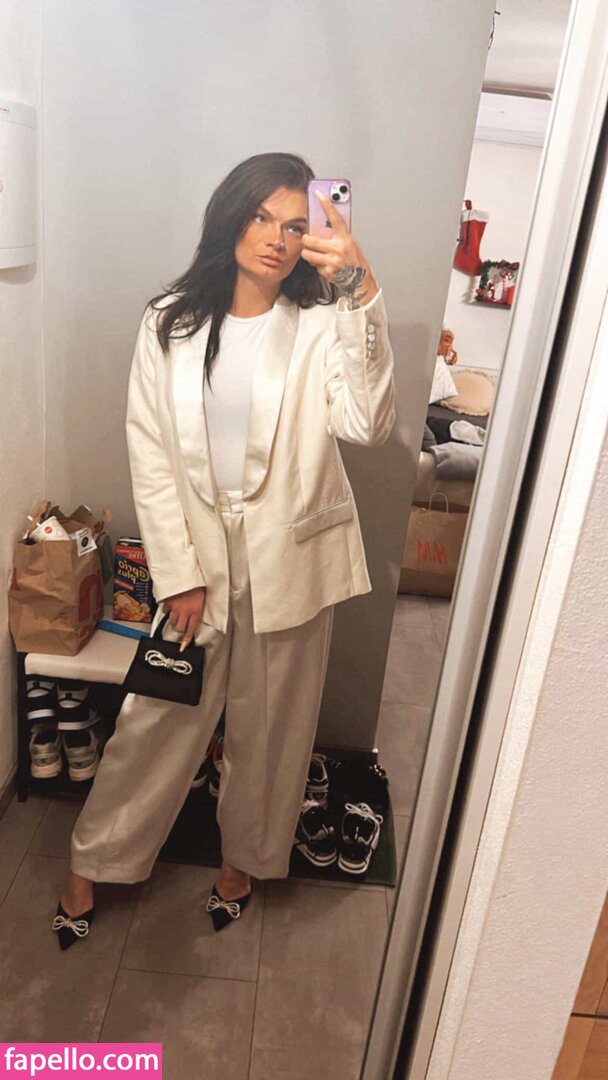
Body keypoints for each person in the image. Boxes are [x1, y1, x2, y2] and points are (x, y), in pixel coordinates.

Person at [52, 151, 396, 949]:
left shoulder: (321, 324)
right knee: (156, 719)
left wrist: (361, 290)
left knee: (272, 733)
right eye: (261, 216)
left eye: (296, 225)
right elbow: (150, 451)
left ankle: (243, 864)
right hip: (199, 555)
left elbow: (367, 423)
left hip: (293, 555)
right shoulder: (169, 322)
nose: (276, 238)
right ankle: (94, 860)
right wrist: (177, 572)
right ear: (230, 217)